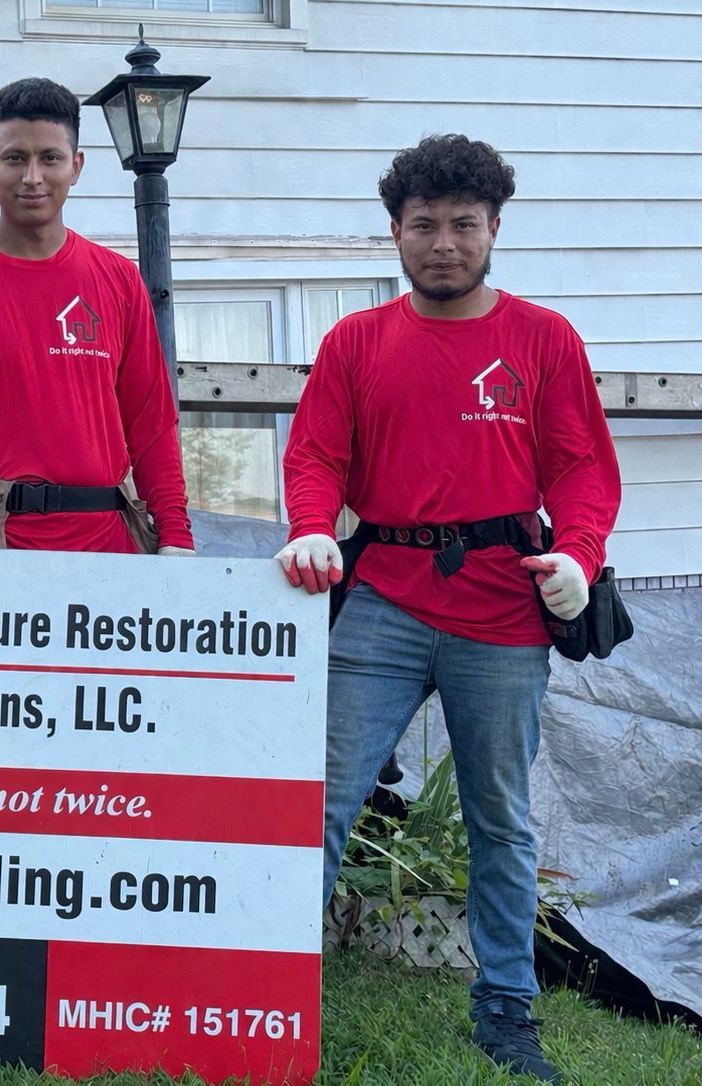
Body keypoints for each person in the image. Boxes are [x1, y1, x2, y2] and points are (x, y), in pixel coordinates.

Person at [276, 135, 621, 1083]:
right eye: (423, 224)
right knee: (317, 800)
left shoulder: (544, 340)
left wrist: (580, 559)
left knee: (501, 821)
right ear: (394, 232)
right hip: (381, 598)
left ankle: (508, 1011)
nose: (442, 243)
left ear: (494, 229)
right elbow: (314, 457)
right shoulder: (354, 342)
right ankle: (266, 990)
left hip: (506, 611)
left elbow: (584, 469)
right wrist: (311, 525)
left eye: (462, 224)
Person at [0, 77, 193, 555]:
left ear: (75, 167)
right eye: (15, 158)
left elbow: (151, 424)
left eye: (49, 158)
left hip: (111, 546)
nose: (33, 176)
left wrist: (175, 533)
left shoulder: (118, 281)